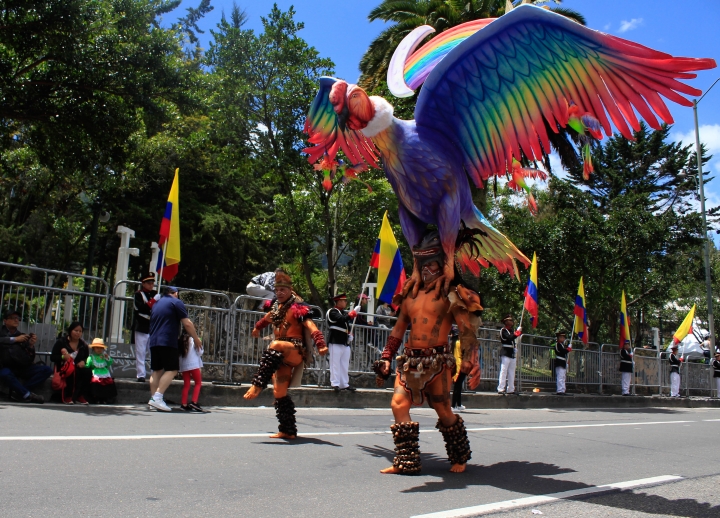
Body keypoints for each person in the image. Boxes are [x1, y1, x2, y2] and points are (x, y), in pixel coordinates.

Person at [374, 231, 481, 475]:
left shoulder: (451, 295)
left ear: (443, 266)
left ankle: (459, 454)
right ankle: (406, 461)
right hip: (410, 360)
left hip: (438, 362)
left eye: (432, 264)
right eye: (423, 265)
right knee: (398, 404)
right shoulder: (410, 296)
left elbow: (466, 329)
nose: (426, 270)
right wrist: (387, 356)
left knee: (443, 410)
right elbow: (399, 329)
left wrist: (469, 359)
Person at [244, 270, 328, 439]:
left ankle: (258, 384)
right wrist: (256, 328)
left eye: (283, 290)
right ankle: (288, 430)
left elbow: (311, 326)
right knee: (279, 392)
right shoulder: (276, 307)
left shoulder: (297, 308)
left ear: (290, 291)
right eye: (277, 290)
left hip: (294, 350)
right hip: (279, 355)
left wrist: (321, 344)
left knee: (276, 344)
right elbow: (265, 320)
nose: (279, 292)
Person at [147, 286, 202, 412]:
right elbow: (187, 323)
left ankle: (153, 400)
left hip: (154, 340)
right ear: (175, 293)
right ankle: (157, 398)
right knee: (172, 369)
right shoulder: (176, 302)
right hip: (167, 341)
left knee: (156, 370)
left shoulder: (157, 304)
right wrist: (196, 339)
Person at [0, 309, 51, 403]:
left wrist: (31, 345)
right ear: (5, 320)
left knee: (47, 370)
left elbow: (30, 358)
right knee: (5, 373)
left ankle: (21, 392)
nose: (16, 320)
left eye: (18, 318)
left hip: (22, 367)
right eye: (13, 318)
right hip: (5, 367)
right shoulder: (2, 333)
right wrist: (14, 340)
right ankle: (26, 394)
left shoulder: (22, 336)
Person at [50, 321, 91, 404]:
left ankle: (80, 396)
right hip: (64, 367)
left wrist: (83, 362)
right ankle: (69, 396)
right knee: (73, 372)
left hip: (77, 366)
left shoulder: (83, 345)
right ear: (70, 331)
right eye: (76, 331)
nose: (78, 333)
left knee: (88, 372)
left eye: (80, 331)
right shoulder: (61, 342)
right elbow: (53, 357)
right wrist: (63, 357)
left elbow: (86, 357)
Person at [326, 293, 360, 392]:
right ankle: (335, 383)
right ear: (339, 301)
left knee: (344, 364)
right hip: (335, 340)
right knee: (335, 363)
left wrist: (349, 335)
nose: (345, 302)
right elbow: (341, 320)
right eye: (344, 301)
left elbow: (346, 324)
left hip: (344, 342)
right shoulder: (332, 312)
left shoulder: (343, 312)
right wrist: (353, 313)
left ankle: (344, 383)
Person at [133, 272, 158, 382]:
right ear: (143, 283)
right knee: (141, 351)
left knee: (154, 351)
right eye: (148, 283)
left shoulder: (155, 294)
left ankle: (155, 373)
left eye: (152, 282)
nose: (151, 285)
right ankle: (141, 374)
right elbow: (140, 309)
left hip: (153, 326)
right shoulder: (138, 295)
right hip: (142, 325)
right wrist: (153, 302)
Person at [85, 338, 117, 404]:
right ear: (93, 348)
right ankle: (97, 398)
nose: (99, 349)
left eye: (100, 348)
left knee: (108, 384)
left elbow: (109, 363)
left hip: (105, 373)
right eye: (97, 348)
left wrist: (107, 358)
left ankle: (106, 398)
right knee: (96, 385)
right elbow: (88, 365)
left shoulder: (104, 356)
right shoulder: (91, 357)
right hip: (96, 373)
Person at [179, 331, 204, 412]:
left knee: (186, 385)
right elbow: (200, 352)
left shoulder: (181, 340)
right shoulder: (194, 340)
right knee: (198, 383)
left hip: (184, 365)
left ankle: (184, 404)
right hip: (194, 365)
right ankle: (194, 401)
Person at [498, 314, 521, 395]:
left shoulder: (511, 331)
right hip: (505, 352)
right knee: (504, 371)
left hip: (511, 352)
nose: (511, 322)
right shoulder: (503, 330)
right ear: (506, 321)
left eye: (511, 320)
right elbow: (509, 338)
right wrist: (516, 333)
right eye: (510, 320)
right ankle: (501, 388)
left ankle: (511, 389)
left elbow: (513, 338)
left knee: (512, 372)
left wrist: (517, 333)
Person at [450, 325, 466, 412]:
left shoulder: (453, 342)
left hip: (456, 364)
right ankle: (453, 405)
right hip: (459, 364)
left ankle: (458, 404)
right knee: (457, 386)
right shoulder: (459, 343)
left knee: (458, 386)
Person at [552, 329, 571, 395]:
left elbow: (564, 353)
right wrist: (567, 349)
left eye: (563, 337)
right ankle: (560, 390)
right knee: (560, 377)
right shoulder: (557, 344)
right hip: (559, 362)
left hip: (563, 362)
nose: (563, 339)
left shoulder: (562, 345)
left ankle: (563, 390)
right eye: (561, 337)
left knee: (563, 377)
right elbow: (561, 351)